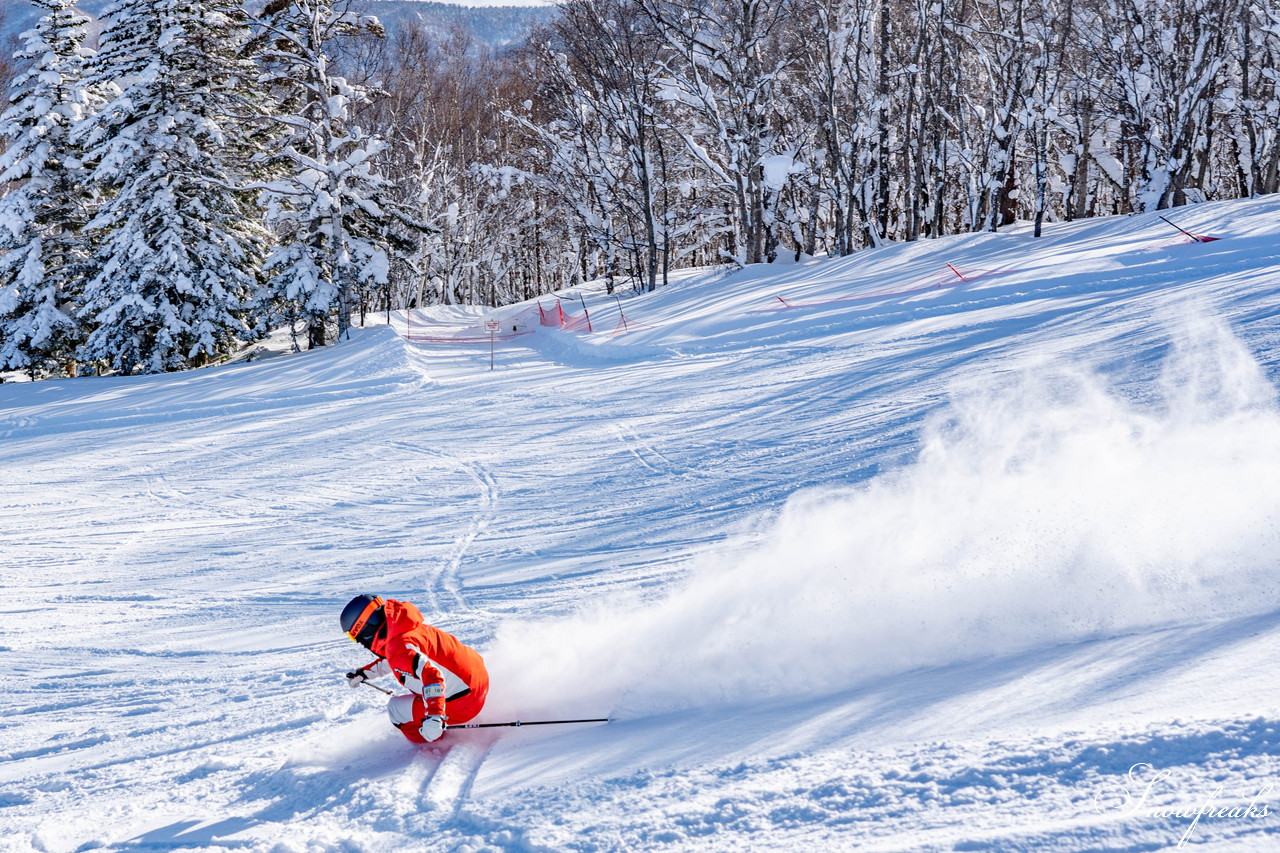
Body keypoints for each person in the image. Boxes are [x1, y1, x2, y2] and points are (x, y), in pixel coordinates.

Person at [340, 594, 489, 743]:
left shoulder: (398, 649)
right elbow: (402, 659)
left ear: (364, 629)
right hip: (478, 680)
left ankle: (431, 744)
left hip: (465, 703)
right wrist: (364, 674)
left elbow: (432, 674)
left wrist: (434, 717)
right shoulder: (403, 627)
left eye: (353, 637)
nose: (358, 643)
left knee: (396, 710)